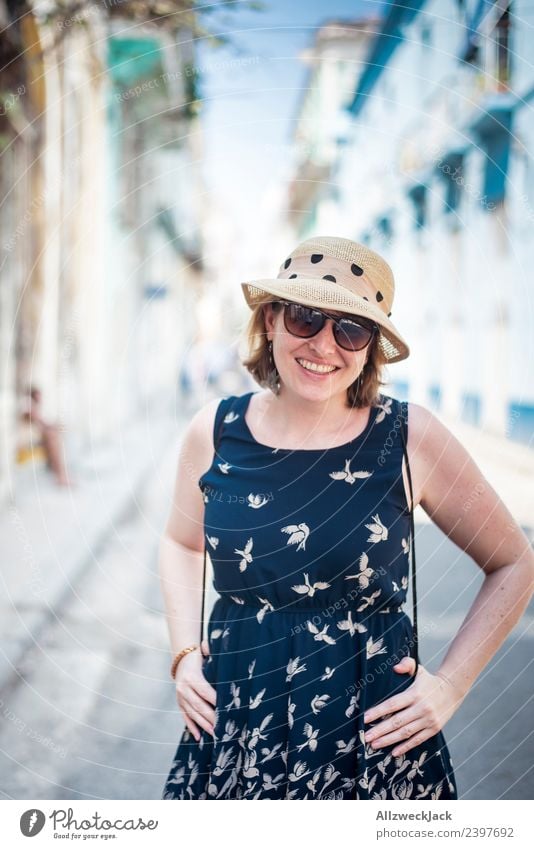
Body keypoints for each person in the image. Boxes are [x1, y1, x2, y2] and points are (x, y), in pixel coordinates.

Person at [159, 236, 534, 800]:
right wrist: (185, 655)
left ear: (370, 347)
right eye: (306, 317)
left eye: (350, 329)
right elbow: (180, 542)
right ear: (270, 321)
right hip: (236, 725)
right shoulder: (214, 431)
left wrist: (451, 688)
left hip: (372, 742)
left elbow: (514, 562)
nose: (323, 345)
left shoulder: (410, 437)